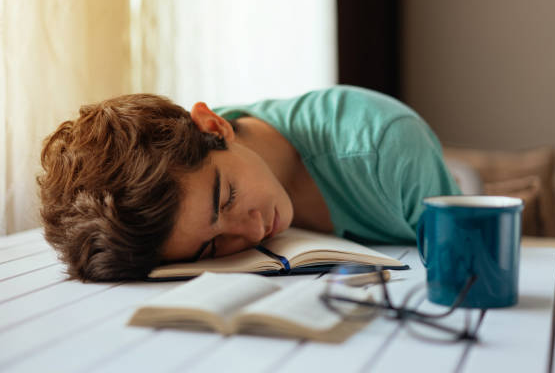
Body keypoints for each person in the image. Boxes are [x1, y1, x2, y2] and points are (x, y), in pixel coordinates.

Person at [38, 85, 460, 281]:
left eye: (228, 198)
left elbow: (471, 262)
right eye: (212, 247)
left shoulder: (383, 146)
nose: (255, 231)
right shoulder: (174, 177)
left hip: (481, 189)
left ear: (215, 126)